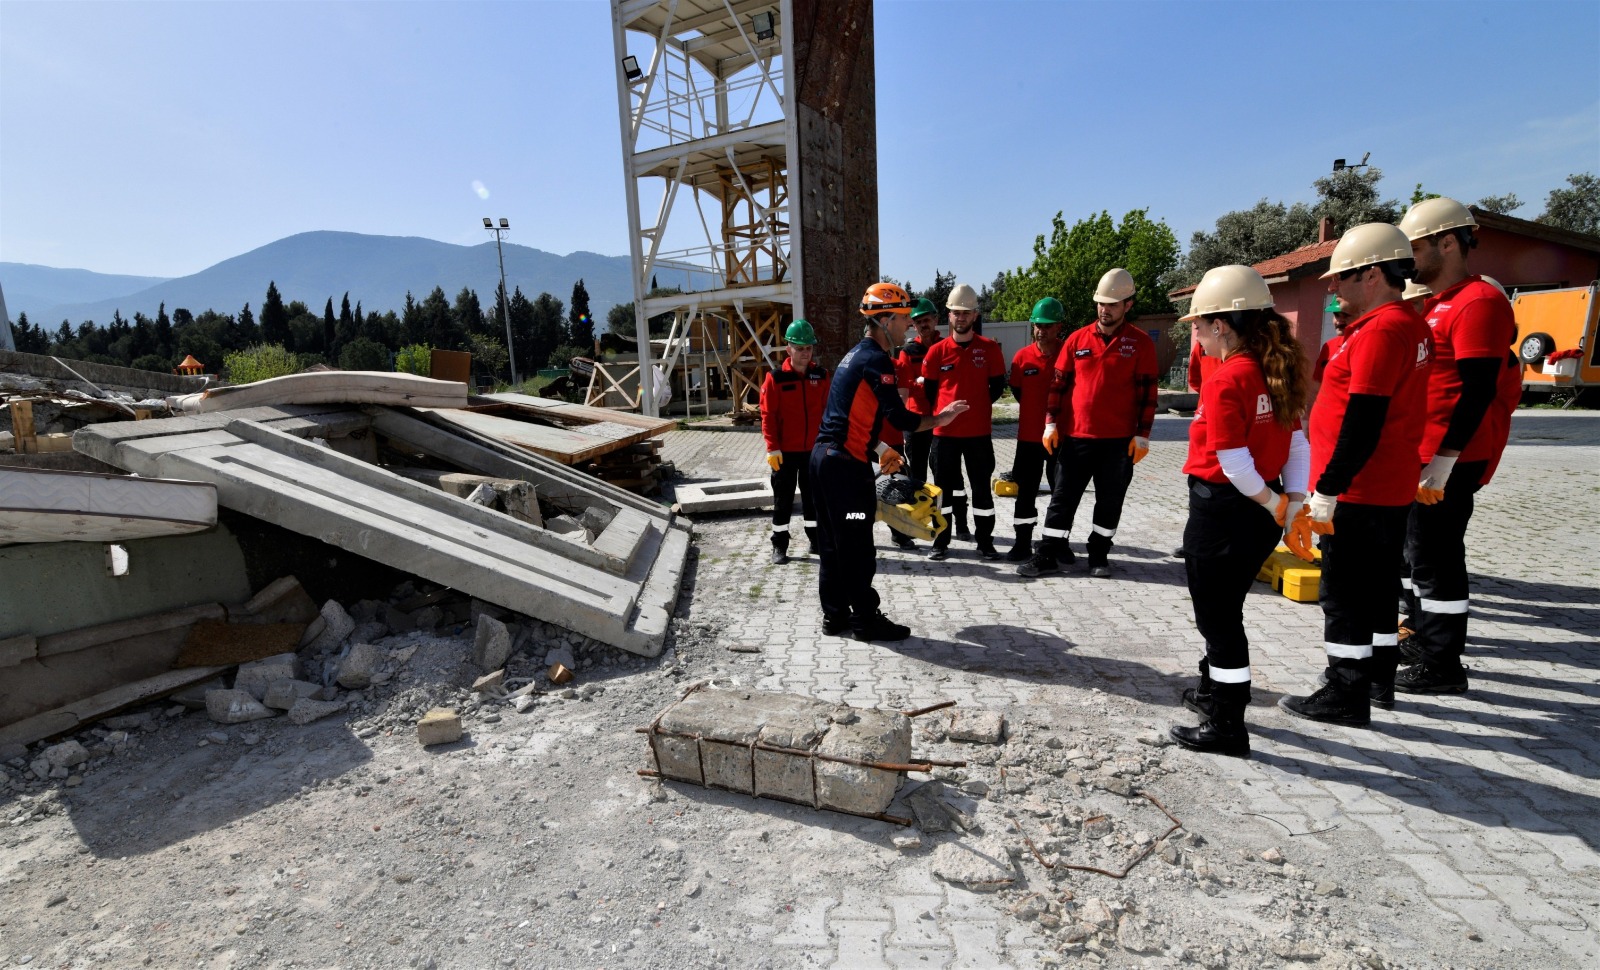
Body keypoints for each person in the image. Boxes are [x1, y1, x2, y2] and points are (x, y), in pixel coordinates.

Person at [1280, 223, 1431, 726]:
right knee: (1379, 589)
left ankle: (1346, 692)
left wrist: (1328, 489)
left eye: (1340, 276)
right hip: (1384, 485)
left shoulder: (1382, 330)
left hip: (1359, 491)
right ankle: (1377, 680)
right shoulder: (1405, 325)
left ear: (1372, 275)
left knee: (1343, 595)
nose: (1332, 286)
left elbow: (1363, 422)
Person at [1169, 266, 1311, 757]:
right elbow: (1296, 444)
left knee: (1219, 619)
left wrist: (1278, 506)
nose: (1195, 334)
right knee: (1226, 609)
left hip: (1226, 511)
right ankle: (1213, 694)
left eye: (1197, 325)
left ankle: (1227, 723)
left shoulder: (1229, 378)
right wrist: (1290, 504)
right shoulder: (1273, 369)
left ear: (1221, 325)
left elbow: (1232, 462)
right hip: (1256, 511)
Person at [1394, 197, 1520, 696]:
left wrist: (1445, 461)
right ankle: (1423, 637)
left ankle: (1442, 664)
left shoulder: (1478, 302)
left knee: (1437, 561)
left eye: (1414, 247)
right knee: (1417, 555)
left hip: (1448, 459)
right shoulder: (1437, 302)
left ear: (1447, 243)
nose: (1408, 260)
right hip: (1423, 455)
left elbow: (1478, 388)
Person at [810, 282, 968, 641]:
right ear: (883, 321)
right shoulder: (876, 360)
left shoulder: (855, 355)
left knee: (833, 543)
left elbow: (849, 417)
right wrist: (941, 418)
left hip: (825, 461)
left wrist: (881, 449)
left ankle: (835, 616)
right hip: (844, 468)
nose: (909, 324)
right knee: (856, 544)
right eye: (902, 318)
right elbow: (900, 418)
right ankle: (866, 620)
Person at [1023, 267, 1158, 579]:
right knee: (1062, 499)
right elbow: (1058, 385)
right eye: (1101, 303)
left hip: (1119, 442)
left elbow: (1148, 394)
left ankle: (1099, 554)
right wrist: (1051, 424)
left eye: (1112, 304)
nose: (1104, 309)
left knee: (1110, 501)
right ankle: (1048, 554)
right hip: (1076, 439)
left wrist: (1143, 434)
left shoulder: (1140, 343)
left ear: (1128, 305)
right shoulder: (1077, 339)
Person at [922, 282, 1007, 561]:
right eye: (956, 312)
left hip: (978, 434)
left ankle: (985, 542)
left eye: (966, 312)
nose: (961, 317)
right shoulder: (936, 352)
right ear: (949, 315)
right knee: (943, 493)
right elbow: (930, 392)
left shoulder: (989, 349)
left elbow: (997, 387)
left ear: (975, 315)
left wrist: (977, 407)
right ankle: (941, 542)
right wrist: (945, 414)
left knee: (982, 490)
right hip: (944, 435)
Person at [759, 319, 830, 565]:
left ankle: (816, 540)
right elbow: (767, 416)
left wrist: (828, 444)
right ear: (788, 348)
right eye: (800, 348)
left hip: (813, 451)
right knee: (783, 501)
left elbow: (828, 412)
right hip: (784, 453)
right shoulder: (775, 378)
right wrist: (772, 448)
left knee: (814, 500)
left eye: (808, 348)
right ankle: (779, 545)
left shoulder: (821, 376)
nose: (805, 353)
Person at [1005, 297, 1066, 563]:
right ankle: (1022, 543)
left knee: (1061, 493)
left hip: (1061, 438)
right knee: (1026, 492)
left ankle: (1058, 545)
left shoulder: (1068, 354)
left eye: (1047, 325)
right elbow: (1018, 391)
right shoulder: (1022, 358)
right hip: (1029, 438)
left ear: (1059, 326)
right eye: (1038, 325)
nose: (1041, 330)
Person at [900, 299, 942, 484]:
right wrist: (931, 383)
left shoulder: (946, 347)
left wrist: (922, 381)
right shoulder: (908, 352)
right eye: (918, 322)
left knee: (942, 467)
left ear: (935, 320)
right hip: (916, 420)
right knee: (917, 471)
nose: (923, 324)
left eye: (927, 320)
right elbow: (906, 385)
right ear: (913, 325)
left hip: (942, 416)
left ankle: (943, 501)